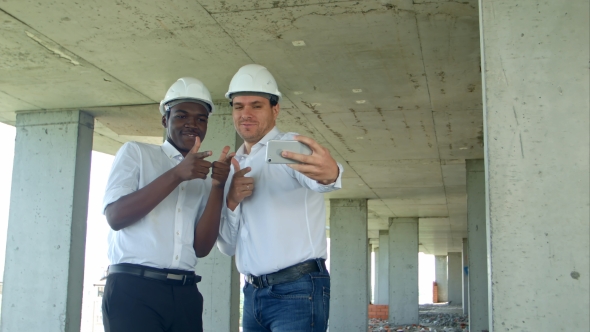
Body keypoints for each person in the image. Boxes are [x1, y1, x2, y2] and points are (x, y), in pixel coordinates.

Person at [217, 64, 343, 332]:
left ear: (275, 109)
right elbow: (227, 246)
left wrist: (330, 174)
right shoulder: (233, 165)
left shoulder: (288, 148)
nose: (246, 114)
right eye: (238, 106)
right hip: (252, 294)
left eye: (256, 105)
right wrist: (231, 202)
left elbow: (321, 179)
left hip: (297, 289)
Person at [101, 77, 234, 332]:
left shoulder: (204, 177)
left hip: (185, 294)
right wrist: (176, 174)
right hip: (133, 291)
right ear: (166, 120)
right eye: (182, 116)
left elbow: (202, 248)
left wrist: (217, 187)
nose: (192, 125)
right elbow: (116, 217)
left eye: (201, 119)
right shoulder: (136, 153)